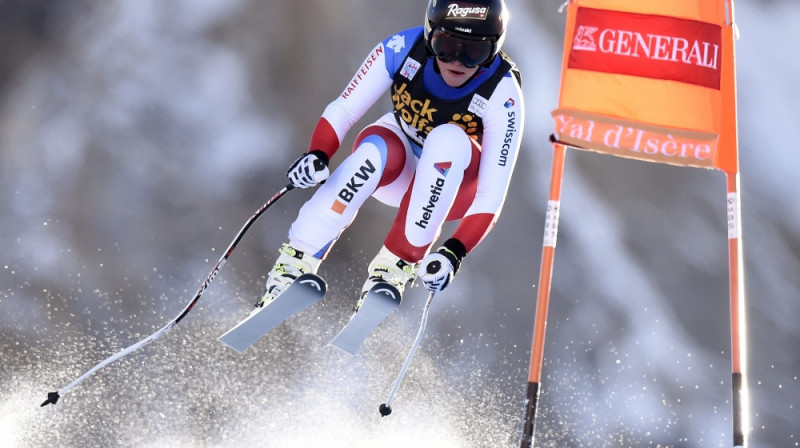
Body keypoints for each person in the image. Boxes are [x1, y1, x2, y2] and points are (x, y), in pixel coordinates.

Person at [261, 0, 524, 312]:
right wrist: (318, 153)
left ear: (495, 48)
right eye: (446, 45)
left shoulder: (503, 92)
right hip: (398, 168)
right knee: (373, 151)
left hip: (451, 189)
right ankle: (294, 262)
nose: (458, 61)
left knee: (448, 137)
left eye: (474, 52)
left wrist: (454, 250)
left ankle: (394, 266)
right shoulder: (402, 47)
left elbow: (491, 194)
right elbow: (344, 108)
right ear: (430, 35)